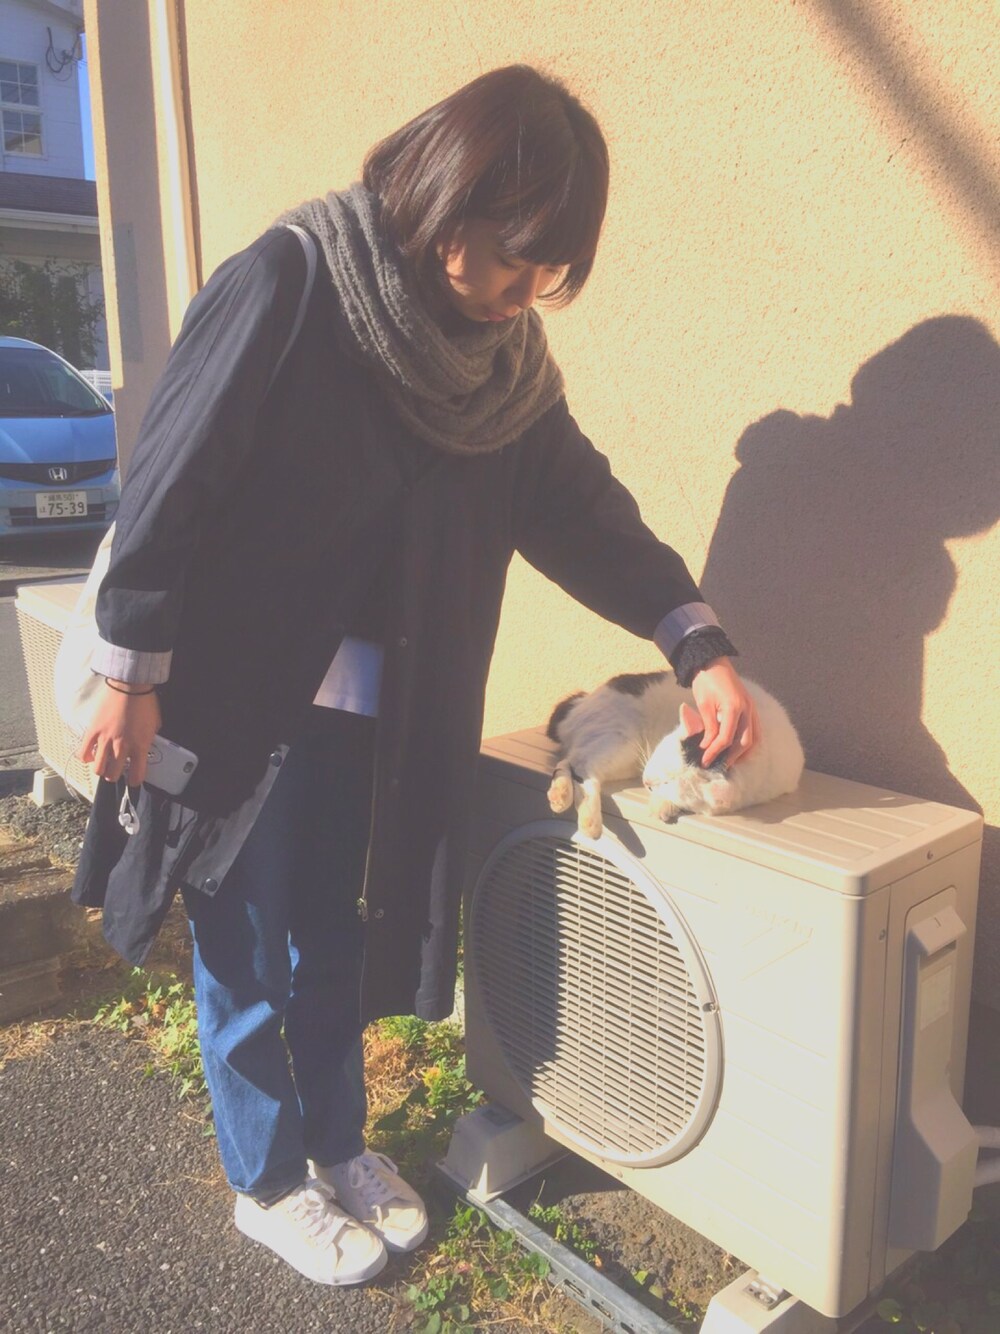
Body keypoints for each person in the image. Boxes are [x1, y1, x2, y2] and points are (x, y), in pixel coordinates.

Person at [74, 65, 758, 1287]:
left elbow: (584, 512)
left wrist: (695, 640)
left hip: (378, 721)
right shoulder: (293, 283)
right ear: (446, 201)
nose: (522, 295)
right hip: (236, 698)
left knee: (335, 941)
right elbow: (169, 479)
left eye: (547, 274)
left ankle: (338, 1144)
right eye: (512, 258)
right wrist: (129, 670)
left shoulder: (502, 374)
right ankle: (266, 1180)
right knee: (243, 949)